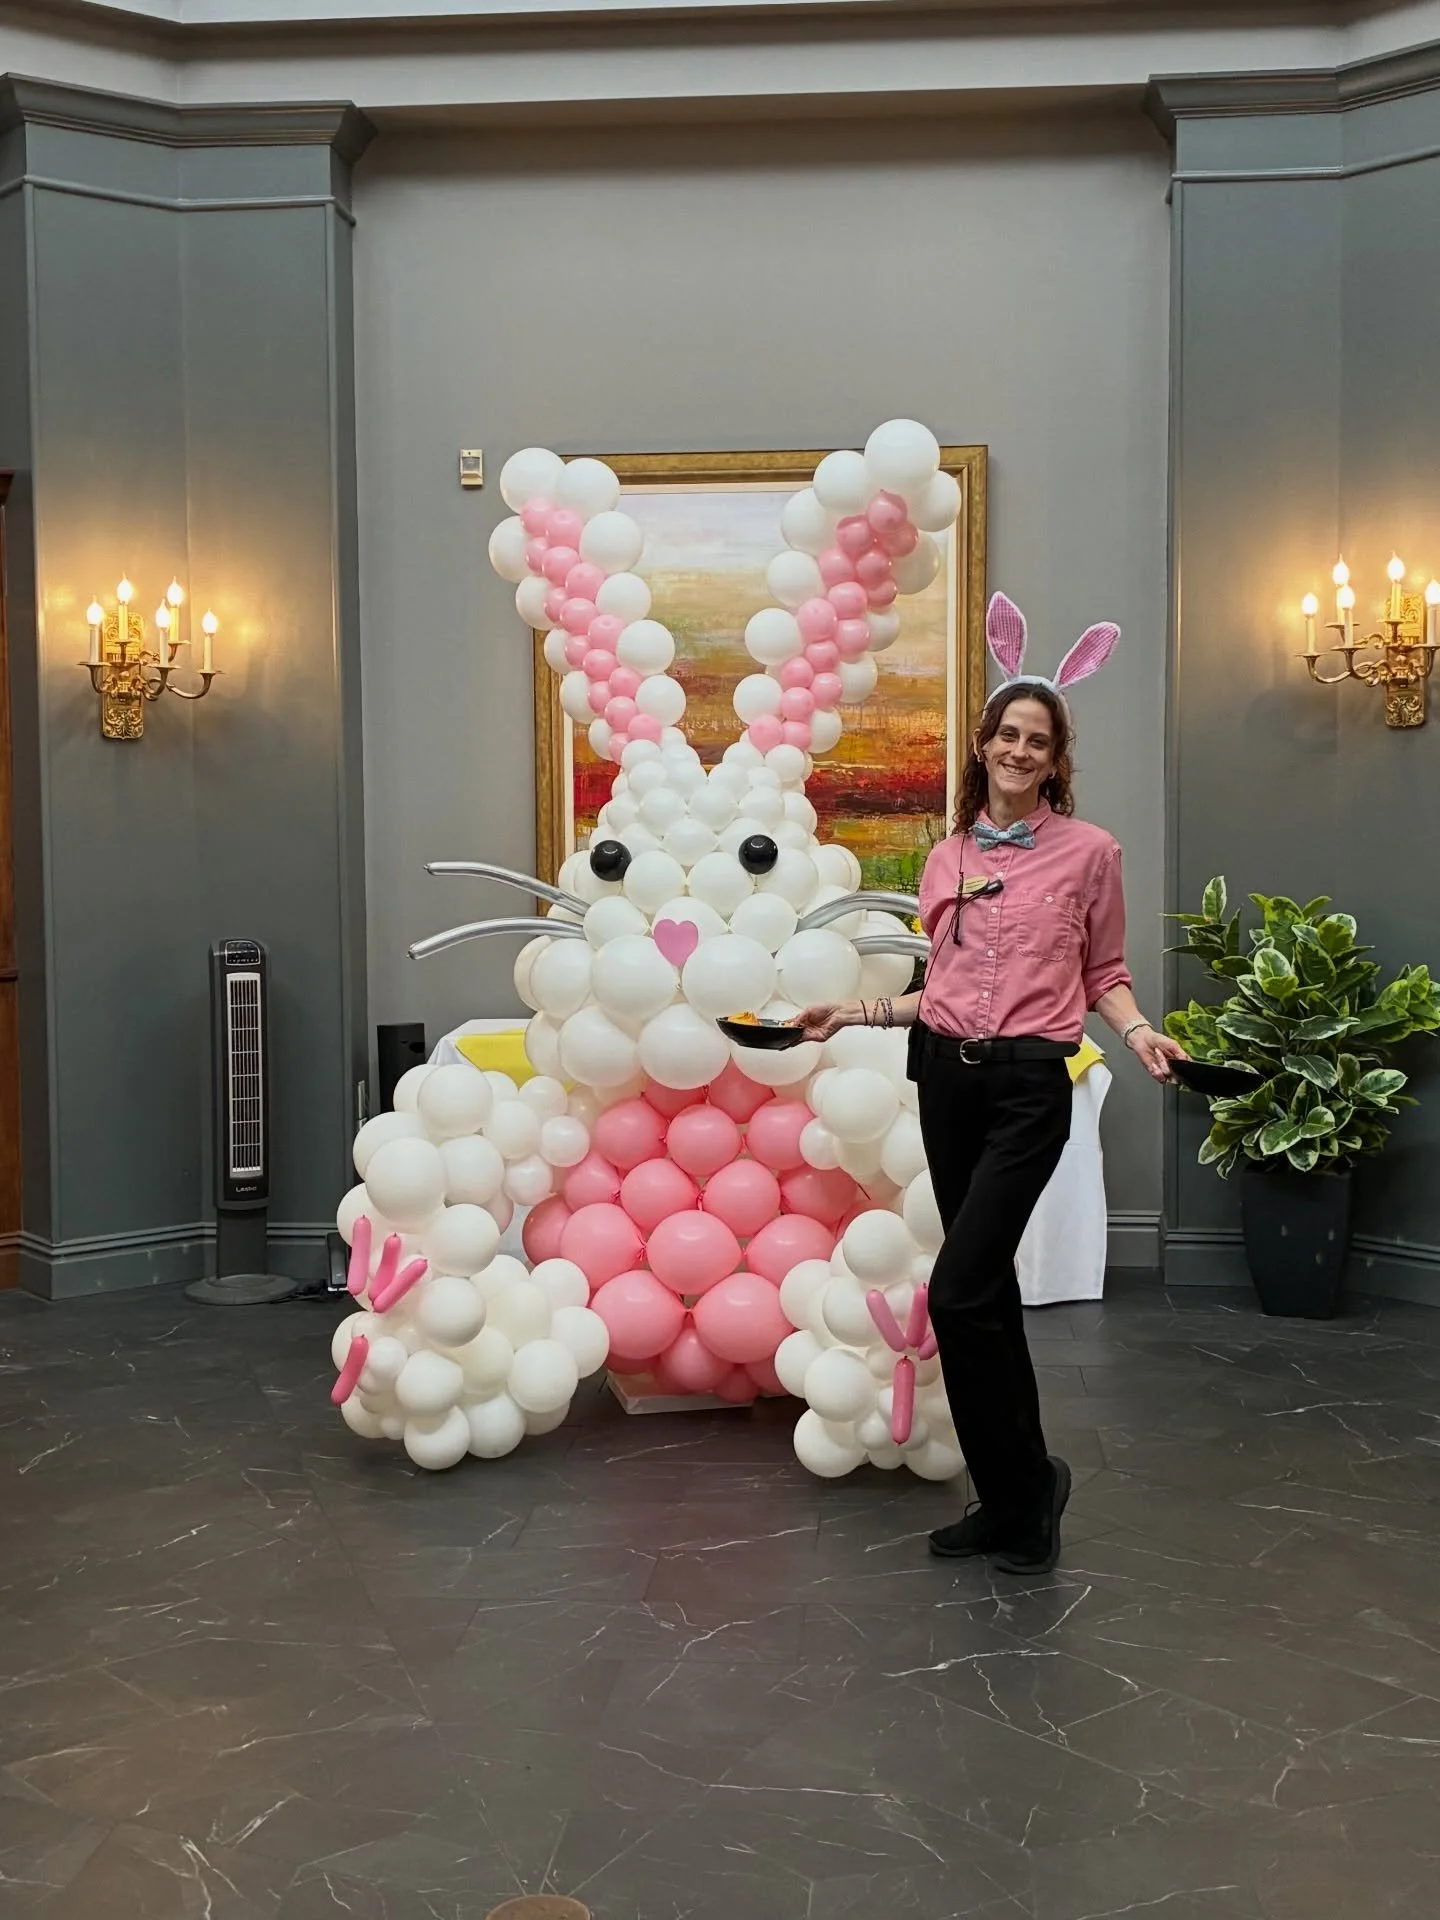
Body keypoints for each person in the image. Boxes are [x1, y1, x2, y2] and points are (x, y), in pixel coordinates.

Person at [794, 592, 1184, 1576]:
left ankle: (1027, 1483)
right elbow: (940, 994)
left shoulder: (1092, 854)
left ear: (1055, 759)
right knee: (987, 1299)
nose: (1019, 750)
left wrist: (1138, 1033)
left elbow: (1103, 973)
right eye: (1007, 733)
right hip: (947, 1079)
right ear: (983, 743)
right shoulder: (946, 858)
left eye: (1037, 740)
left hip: (1025, 1090)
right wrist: (852, 1011)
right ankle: (1013, 1498)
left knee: (960, 1288)